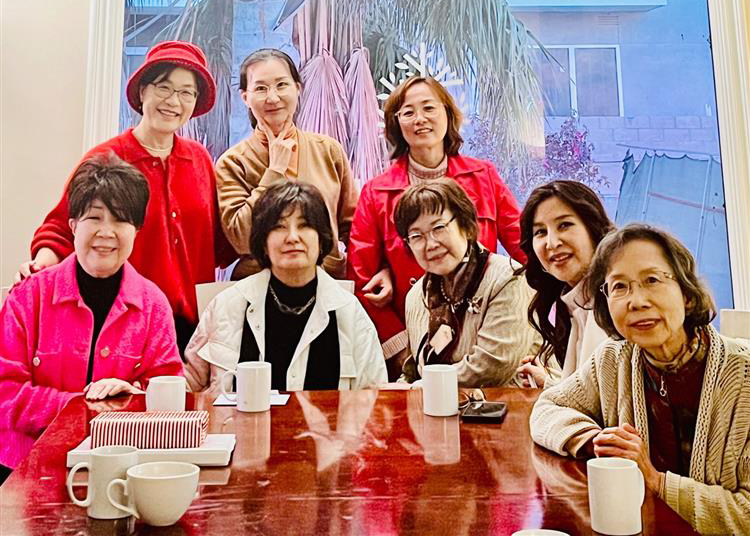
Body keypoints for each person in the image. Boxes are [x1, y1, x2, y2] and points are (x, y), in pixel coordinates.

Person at [530, 223, 750, 535]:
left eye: (652, 280)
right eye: (619, 286)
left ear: (687, 294)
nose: (636, 301)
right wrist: (597, 441)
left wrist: (657, 481)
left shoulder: (743, 375)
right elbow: (547, 408)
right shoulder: (613, 360)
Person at [18, 41, 232, 353]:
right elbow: (63, 228)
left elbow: (219, 243)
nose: (174, 101)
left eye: (187, 92)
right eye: (164, 87)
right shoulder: (107, 158)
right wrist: (41, 265)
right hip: (123, 322)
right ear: (143, 91)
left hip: (192, 328)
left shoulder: (200, 160)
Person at [0, 154, 183, 476]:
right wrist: (85, 408)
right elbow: (5, 391)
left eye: (120, 220)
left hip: (120, 469)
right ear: (73, 226)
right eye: (94, 218)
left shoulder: (153, 305)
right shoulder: (29, 297)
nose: (106, 232)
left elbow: (168, 391)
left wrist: (132, 396)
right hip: (25, 469)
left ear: (136, 230)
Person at [346, 75, 525, 380]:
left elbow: (525, 248)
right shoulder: (376, 192)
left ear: (448, 113)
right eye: (408, 112)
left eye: (429, 108)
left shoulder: (484, 176)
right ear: (396, 124)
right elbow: (361, 277)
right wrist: (400, 347)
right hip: (414, 341)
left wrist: (535, 315)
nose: (420, 119)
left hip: (485, 329)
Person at [185, 182, 386, 393]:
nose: (292, 238)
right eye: (279, 227)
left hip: (334, 417)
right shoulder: (226, 306)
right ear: (263, 243)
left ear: (321, 239)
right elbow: (189, 387)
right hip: (235, 417)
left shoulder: (350, 313)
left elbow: (375, 398)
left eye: (304, 225)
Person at [214, 48, 358, 280]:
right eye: (261, 88)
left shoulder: (328, 150)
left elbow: (355, 228)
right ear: (245, 97)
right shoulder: (234, 162)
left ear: (297, 88)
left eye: (281, 85)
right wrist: (274, 171)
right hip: (259, 287)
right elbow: (240, 239)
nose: (272, 98)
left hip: (326, 283)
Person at [393, 179, 539, 386]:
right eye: (417, 236)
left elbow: (492, 367)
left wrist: (424, 386)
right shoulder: (416, 296)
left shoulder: (508, 278)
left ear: (466, 226)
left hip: (511, 403)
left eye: (439, 228)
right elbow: (414, 369)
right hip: (438, 404)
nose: (431, 244)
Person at [516, 181, 613, 388]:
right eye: (540, 232)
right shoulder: (574, 304)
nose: (552, 243)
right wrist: (548, 383)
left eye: (564, 225)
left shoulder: (616, 301)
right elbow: (588, 396)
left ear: (594, 228)